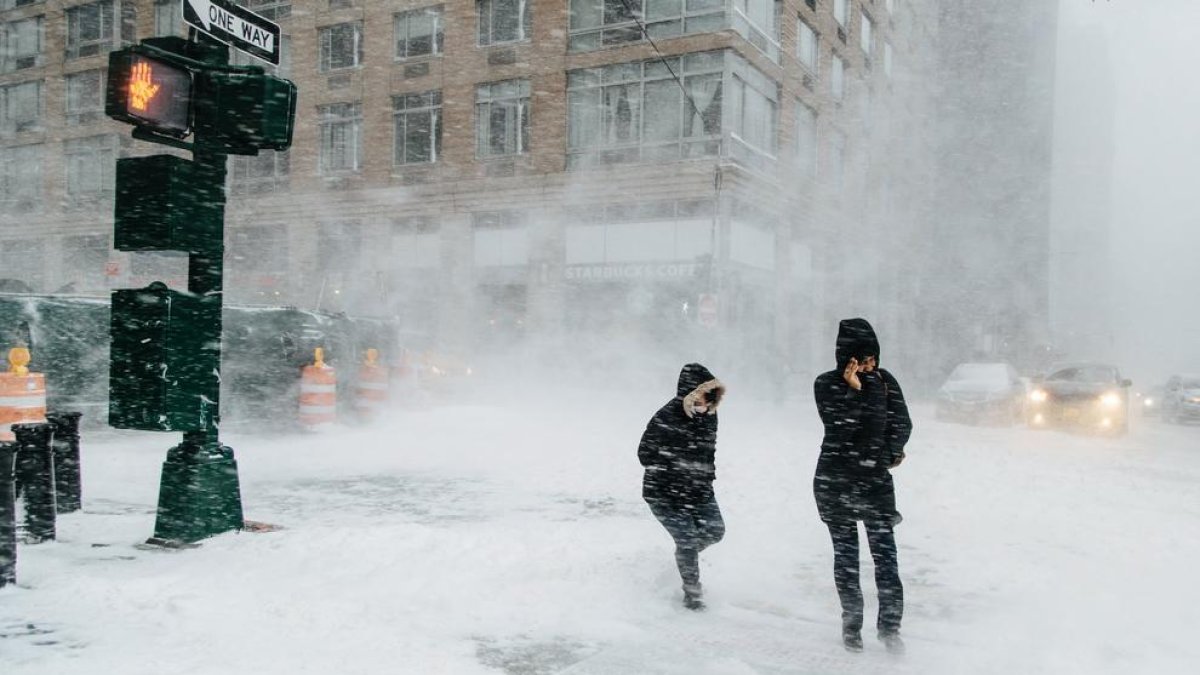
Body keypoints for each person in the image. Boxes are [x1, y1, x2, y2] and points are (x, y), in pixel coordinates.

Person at [813, 318, 913, 653]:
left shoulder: (885, 381)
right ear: (847, 358)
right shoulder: (826, 383)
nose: (870, 366)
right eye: (863, 360)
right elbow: (838, 428)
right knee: (847, 560)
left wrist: (886, 455)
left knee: (886, 560)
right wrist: (853, 390)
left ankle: (890, 629)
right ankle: (852, 626)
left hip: (874, 482)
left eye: (874, 359)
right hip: (835, 482)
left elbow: (902, 423)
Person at [638, 363, 727, 610]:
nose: (707, 400)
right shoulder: (667, 416)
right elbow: (644, 454)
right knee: (687, 539)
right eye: (702, 394)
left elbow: (708, 453)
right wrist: (674, 467)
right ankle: (692, 593)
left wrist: (705, 479)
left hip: (699, 491)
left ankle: (685, 556)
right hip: (663, 493)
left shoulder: (710, 416)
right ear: (690, 393)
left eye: (711, 395)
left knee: (715, 531)